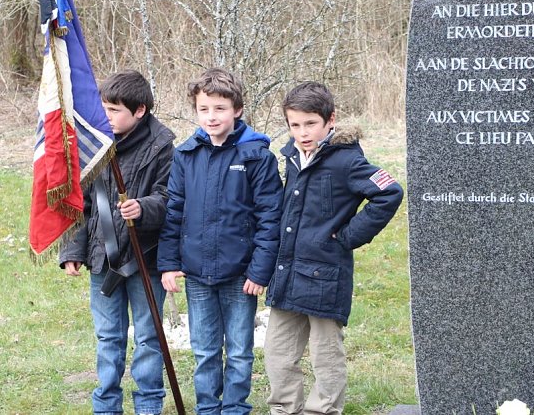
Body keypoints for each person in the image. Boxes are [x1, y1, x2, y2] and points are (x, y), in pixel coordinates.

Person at [264, 81, 404, 415]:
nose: (302, 132)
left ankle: (322, 411)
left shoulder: (347, 161)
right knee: (277, 353)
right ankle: (285, 410)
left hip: (326, 274)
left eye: (310, 123)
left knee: (325, 355)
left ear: (330, 119)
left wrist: (347, 236)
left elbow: (390, 193)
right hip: (288, 272)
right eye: (294, 125)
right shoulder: (292, 157)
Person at [158, 67, 283, 415]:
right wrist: (169, 263)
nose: (211, 117)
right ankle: (208, 408)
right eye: (204, 109)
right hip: (197, 272)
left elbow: (269, 218)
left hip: (241, 275)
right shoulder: (186, 155)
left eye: (220, 109)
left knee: (240, 349)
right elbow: (174, 212)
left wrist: (259, 272)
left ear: (237, 110)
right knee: (205, 349)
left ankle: (235, 408)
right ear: (196, 111)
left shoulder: (257, 156)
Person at [59, 69, 175, 415]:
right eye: (103, 108)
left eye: (114, 110)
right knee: (109, 337)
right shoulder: (96, 144)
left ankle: (149, 405)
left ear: (139, 111)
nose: (105, 117)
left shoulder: (163, 147)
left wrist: (145, 207)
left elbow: (171, 198)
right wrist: (73, 250)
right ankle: (107, 405)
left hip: (145, 258)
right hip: (103, 258)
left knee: (148, 337)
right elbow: (83, 204)